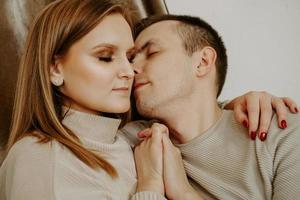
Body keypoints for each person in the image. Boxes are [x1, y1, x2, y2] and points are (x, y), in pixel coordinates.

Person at [0, 0, 296, 199]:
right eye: (106, 57)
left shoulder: (277, 130)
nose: (131, 70)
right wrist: (152, 185)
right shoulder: (123, 142)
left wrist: (238, 104)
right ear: (54, 68)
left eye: (146, 54)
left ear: (203, 62)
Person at [123, 14, 300, 200]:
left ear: (203, 62)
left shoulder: (281, 130)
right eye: (131, 59)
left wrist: (183, 193)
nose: (131, 69)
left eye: (152, 53)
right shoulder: (131, 143)